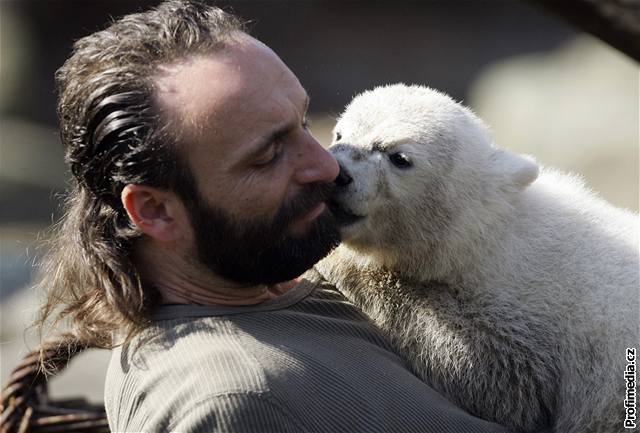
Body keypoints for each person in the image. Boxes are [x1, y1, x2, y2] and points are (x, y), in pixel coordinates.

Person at [36, 1, 517, 432]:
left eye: (304, 124)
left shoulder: (273, 275)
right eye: (268, 156)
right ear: (157, 211)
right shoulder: (235, 403)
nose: (327, 165)